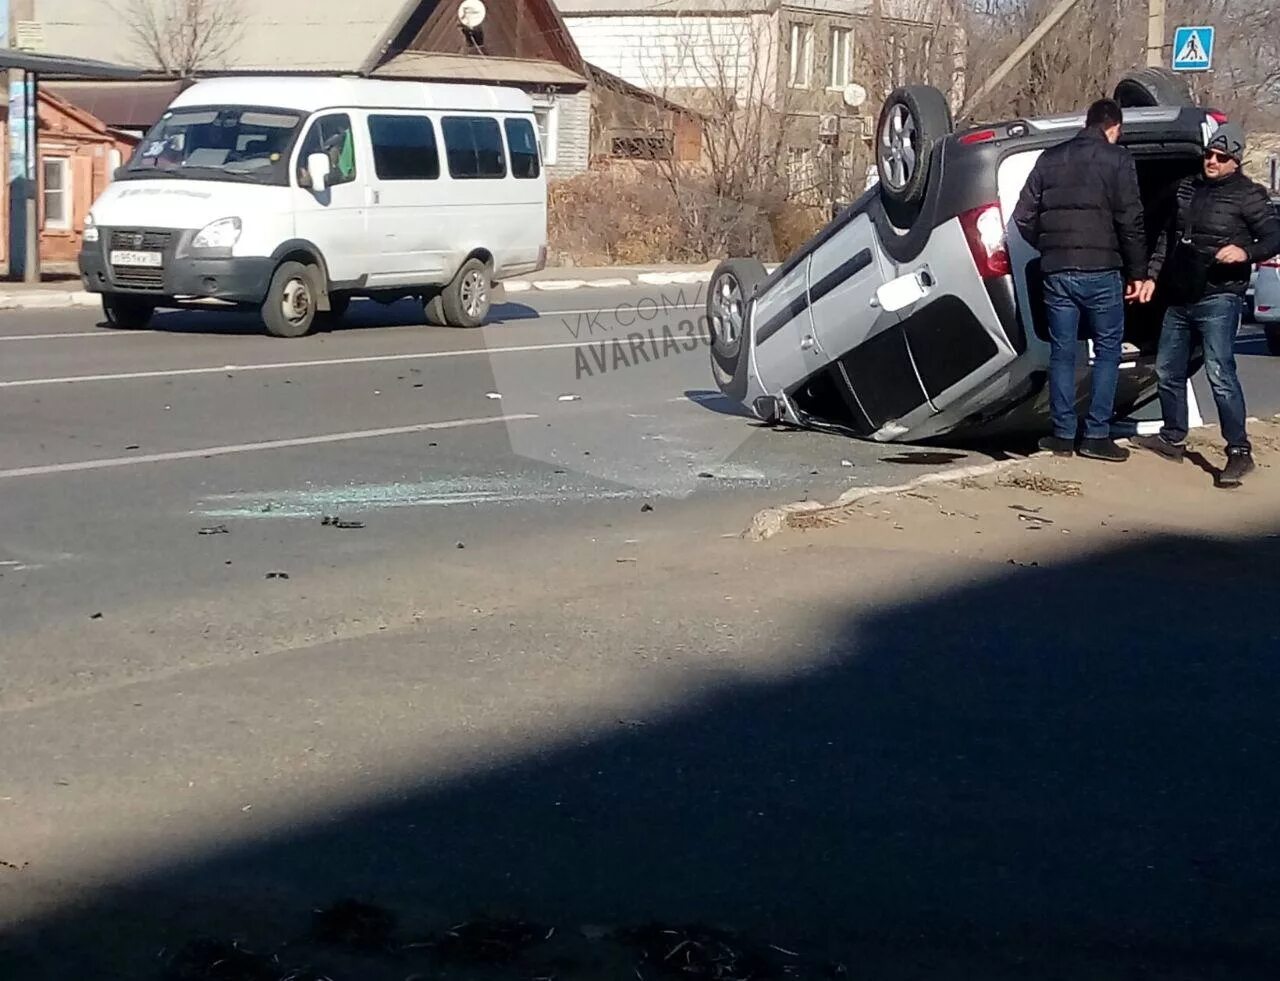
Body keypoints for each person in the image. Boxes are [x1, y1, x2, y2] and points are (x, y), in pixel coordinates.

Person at [1133, 122, 1280, 487]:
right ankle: (1172, 437)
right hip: (1179, 294)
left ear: (1236, 161)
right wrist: (1152, 277)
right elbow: (1167, 238)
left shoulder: (1250, 196)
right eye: (1209, 154)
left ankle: (1239, 452)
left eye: (1221, 157)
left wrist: (1245, 252)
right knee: (1167, 370)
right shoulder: (1188, 187)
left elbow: (1274, 237)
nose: (1212, 161)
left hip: (1220, 295)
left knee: (1220, 373)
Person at [1012, 98, 1152, 463]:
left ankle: (1062, 435)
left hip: (1057, 273)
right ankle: (1096, 435)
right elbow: (1130, 220)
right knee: (1107, 352)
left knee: (1063, 353)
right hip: (1102, 270)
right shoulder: (1118, 160)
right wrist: (1139, 273)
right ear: (1114, 128)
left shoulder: (1049, 158)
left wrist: (1048, 247)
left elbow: (1023, 216)